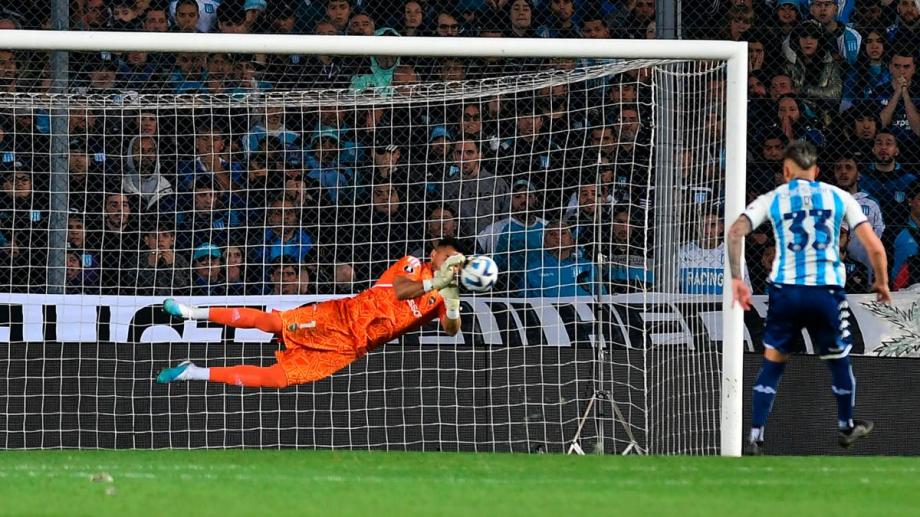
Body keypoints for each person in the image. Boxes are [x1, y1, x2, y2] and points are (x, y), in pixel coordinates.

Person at [726, 140, 891, 455]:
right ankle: (845, 425)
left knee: (773, 361)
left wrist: (737, 280)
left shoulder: (774, 198)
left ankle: (756, 435)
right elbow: (874, 246)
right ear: (816, 171)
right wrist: (881, 282)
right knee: (839, 359)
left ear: (787, 171)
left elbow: (734, 233)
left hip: (786, 291)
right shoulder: (838, 196)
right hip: (825, 291)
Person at [156, 238, 467, 388]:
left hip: (349, 347)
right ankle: (191, 312)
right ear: (434, 253)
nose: (450, 264)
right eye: (448, 257)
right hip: (339, 317)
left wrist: (451, 300)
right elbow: (401, 291)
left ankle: (192, 372)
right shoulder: (412, 264)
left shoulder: (443, 296)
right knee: (271, 322)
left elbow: (451, 329)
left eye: (457, 262)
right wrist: (438, 283)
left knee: (277, 379)